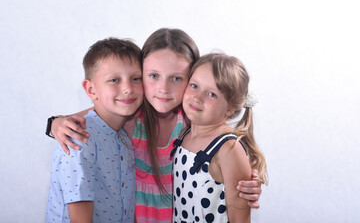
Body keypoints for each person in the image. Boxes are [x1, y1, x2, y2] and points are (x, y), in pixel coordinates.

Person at [47, 28, 263, 223]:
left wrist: (241, 187)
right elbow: (86, 118)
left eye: (177, 78)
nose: (163, 88)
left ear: (191, 79)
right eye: (153, 76)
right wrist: (55, 124)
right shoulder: (131, 116)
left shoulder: (194, 124)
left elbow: (223, 166)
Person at [46, 38, 143, 222]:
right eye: (114, 80)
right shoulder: (79, 137)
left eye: (135, 78)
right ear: (91, 89)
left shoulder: (123, 137)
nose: (128, 88)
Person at [170, 53, 268, 222]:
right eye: (194, 86)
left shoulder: (228, 149)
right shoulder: (184, 133)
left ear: (230, 109)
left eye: (212, 94)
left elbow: (240, 218)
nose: (197, 97)